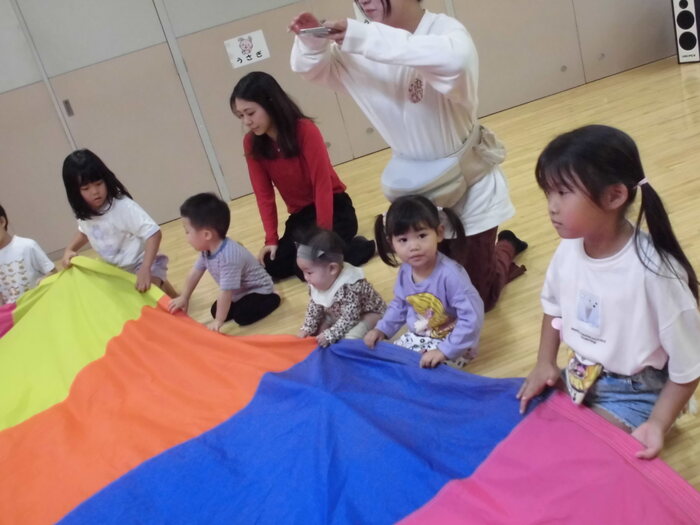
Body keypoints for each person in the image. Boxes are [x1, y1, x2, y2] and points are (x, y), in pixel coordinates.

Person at [289, 0, 526, 311]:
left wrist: (363, 37)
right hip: (418, 192)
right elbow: (311, 67)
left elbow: (454, 62)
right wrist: (312, 42)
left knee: (478, 298)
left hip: (469, 187)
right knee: (437, 292)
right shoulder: (360, 48)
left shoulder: (446, 33)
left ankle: (506, 247)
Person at [516, 125, 700, 460]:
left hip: (637, 391)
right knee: (526, 432)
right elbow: (553, 310)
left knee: (579, 458)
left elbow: (690, 366)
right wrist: (545, 362)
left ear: (614, 196)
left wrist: (658, 423)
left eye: (563, 193)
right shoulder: (569, 248)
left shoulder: (655, 273)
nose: (552, 207)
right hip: (583, 373)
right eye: (549, 193)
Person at [230, 71, 375, 281]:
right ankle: (336, 248)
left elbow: (322, 185)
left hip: (334, 207)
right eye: (241, 116)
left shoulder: (305, 130)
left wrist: (324, 235)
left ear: (270, 103)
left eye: (250, 113)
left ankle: (363, 246)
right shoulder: (251, 143)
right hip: (302, 216)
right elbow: (264, 195)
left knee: (307, 267)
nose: (247, 121)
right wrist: (271, 239)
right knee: (273, 265)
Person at [364, 195, 484, 368]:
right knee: (386, 363)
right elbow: (400, 304)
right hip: (421, 335)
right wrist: (382, 329)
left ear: (439, 233)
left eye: (421, 235)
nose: (414, 246)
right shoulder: (406, 270)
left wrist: (444, 351)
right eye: (403, 240)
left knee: (418, 372)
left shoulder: (451, 276)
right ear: (392, 244)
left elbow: (472, 318)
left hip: (453, 343)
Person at [61, 149, 177, 296]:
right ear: (75, 193)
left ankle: (167, 289)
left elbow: (154, 233)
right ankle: (168, 290)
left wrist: (145, 268)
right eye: (86, 188)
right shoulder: (86, 212)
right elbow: (84, 232)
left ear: (106, 180)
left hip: (143, 262)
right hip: (115, 269)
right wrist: (69, 249)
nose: (95, 192)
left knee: (148, 293)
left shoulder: (122, 207)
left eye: (98, 184)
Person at [168, 193, 280, 332]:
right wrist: (184, 297)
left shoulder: (228, 257)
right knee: (216, 310)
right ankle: (236, 307)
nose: (186, 238)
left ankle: (274, 297)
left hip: (259, 290)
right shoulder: (207, 250)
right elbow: (195, 272)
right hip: (239, 292)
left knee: (242, 316)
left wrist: (218, 321)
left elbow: (225, 291)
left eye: (187, 232)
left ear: (207, 235)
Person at [296, 228, 386, 347]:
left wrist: (331, 334)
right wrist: (307, 328)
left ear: (332, 268)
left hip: (366, 314)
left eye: (309, 272)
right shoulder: (317, 281)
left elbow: (350, 318)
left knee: (350, 339)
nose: (305, 277)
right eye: (303, 272)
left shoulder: (350, 287)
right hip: (337, 314)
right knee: (317, 333)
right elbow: (314, 306)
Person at [0, 203, 55, 304]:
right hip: (13, 311)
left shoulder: (27, 246)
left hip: (37, 305)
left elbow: (53, 272)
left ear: (2, 222)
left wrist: (43, 280)